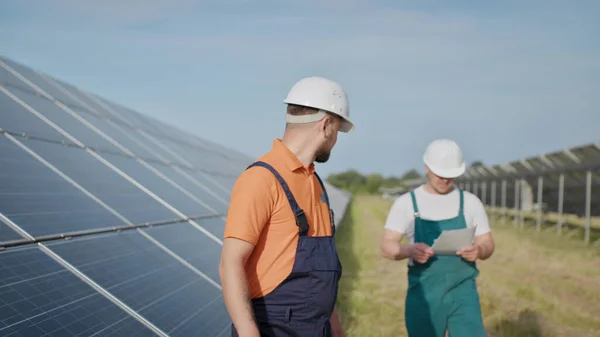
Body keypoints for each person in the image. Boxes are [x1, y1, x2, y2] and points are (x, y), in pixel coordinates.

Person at [219, 76, 355, 337]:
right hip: (274, 328)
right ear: (326, 125)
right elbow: (230, 263)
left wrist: (334, 325)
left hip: (317, 328)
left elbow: (322, 275)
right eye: (337, 131)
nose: (335, 140)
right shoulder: (261, 179)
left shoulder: (315, 183)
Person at [380, 138, 495, 337]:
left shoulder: (469, 202)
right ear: (426, 167)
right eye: (439, 174)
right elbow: (387, 246)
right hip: (424, 295)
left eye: (451, 176)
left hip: (463, 293)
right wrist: (409, 250)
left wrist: (479, 250)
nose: (445, 180)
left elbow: (487, 243)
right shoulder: (406, 203)